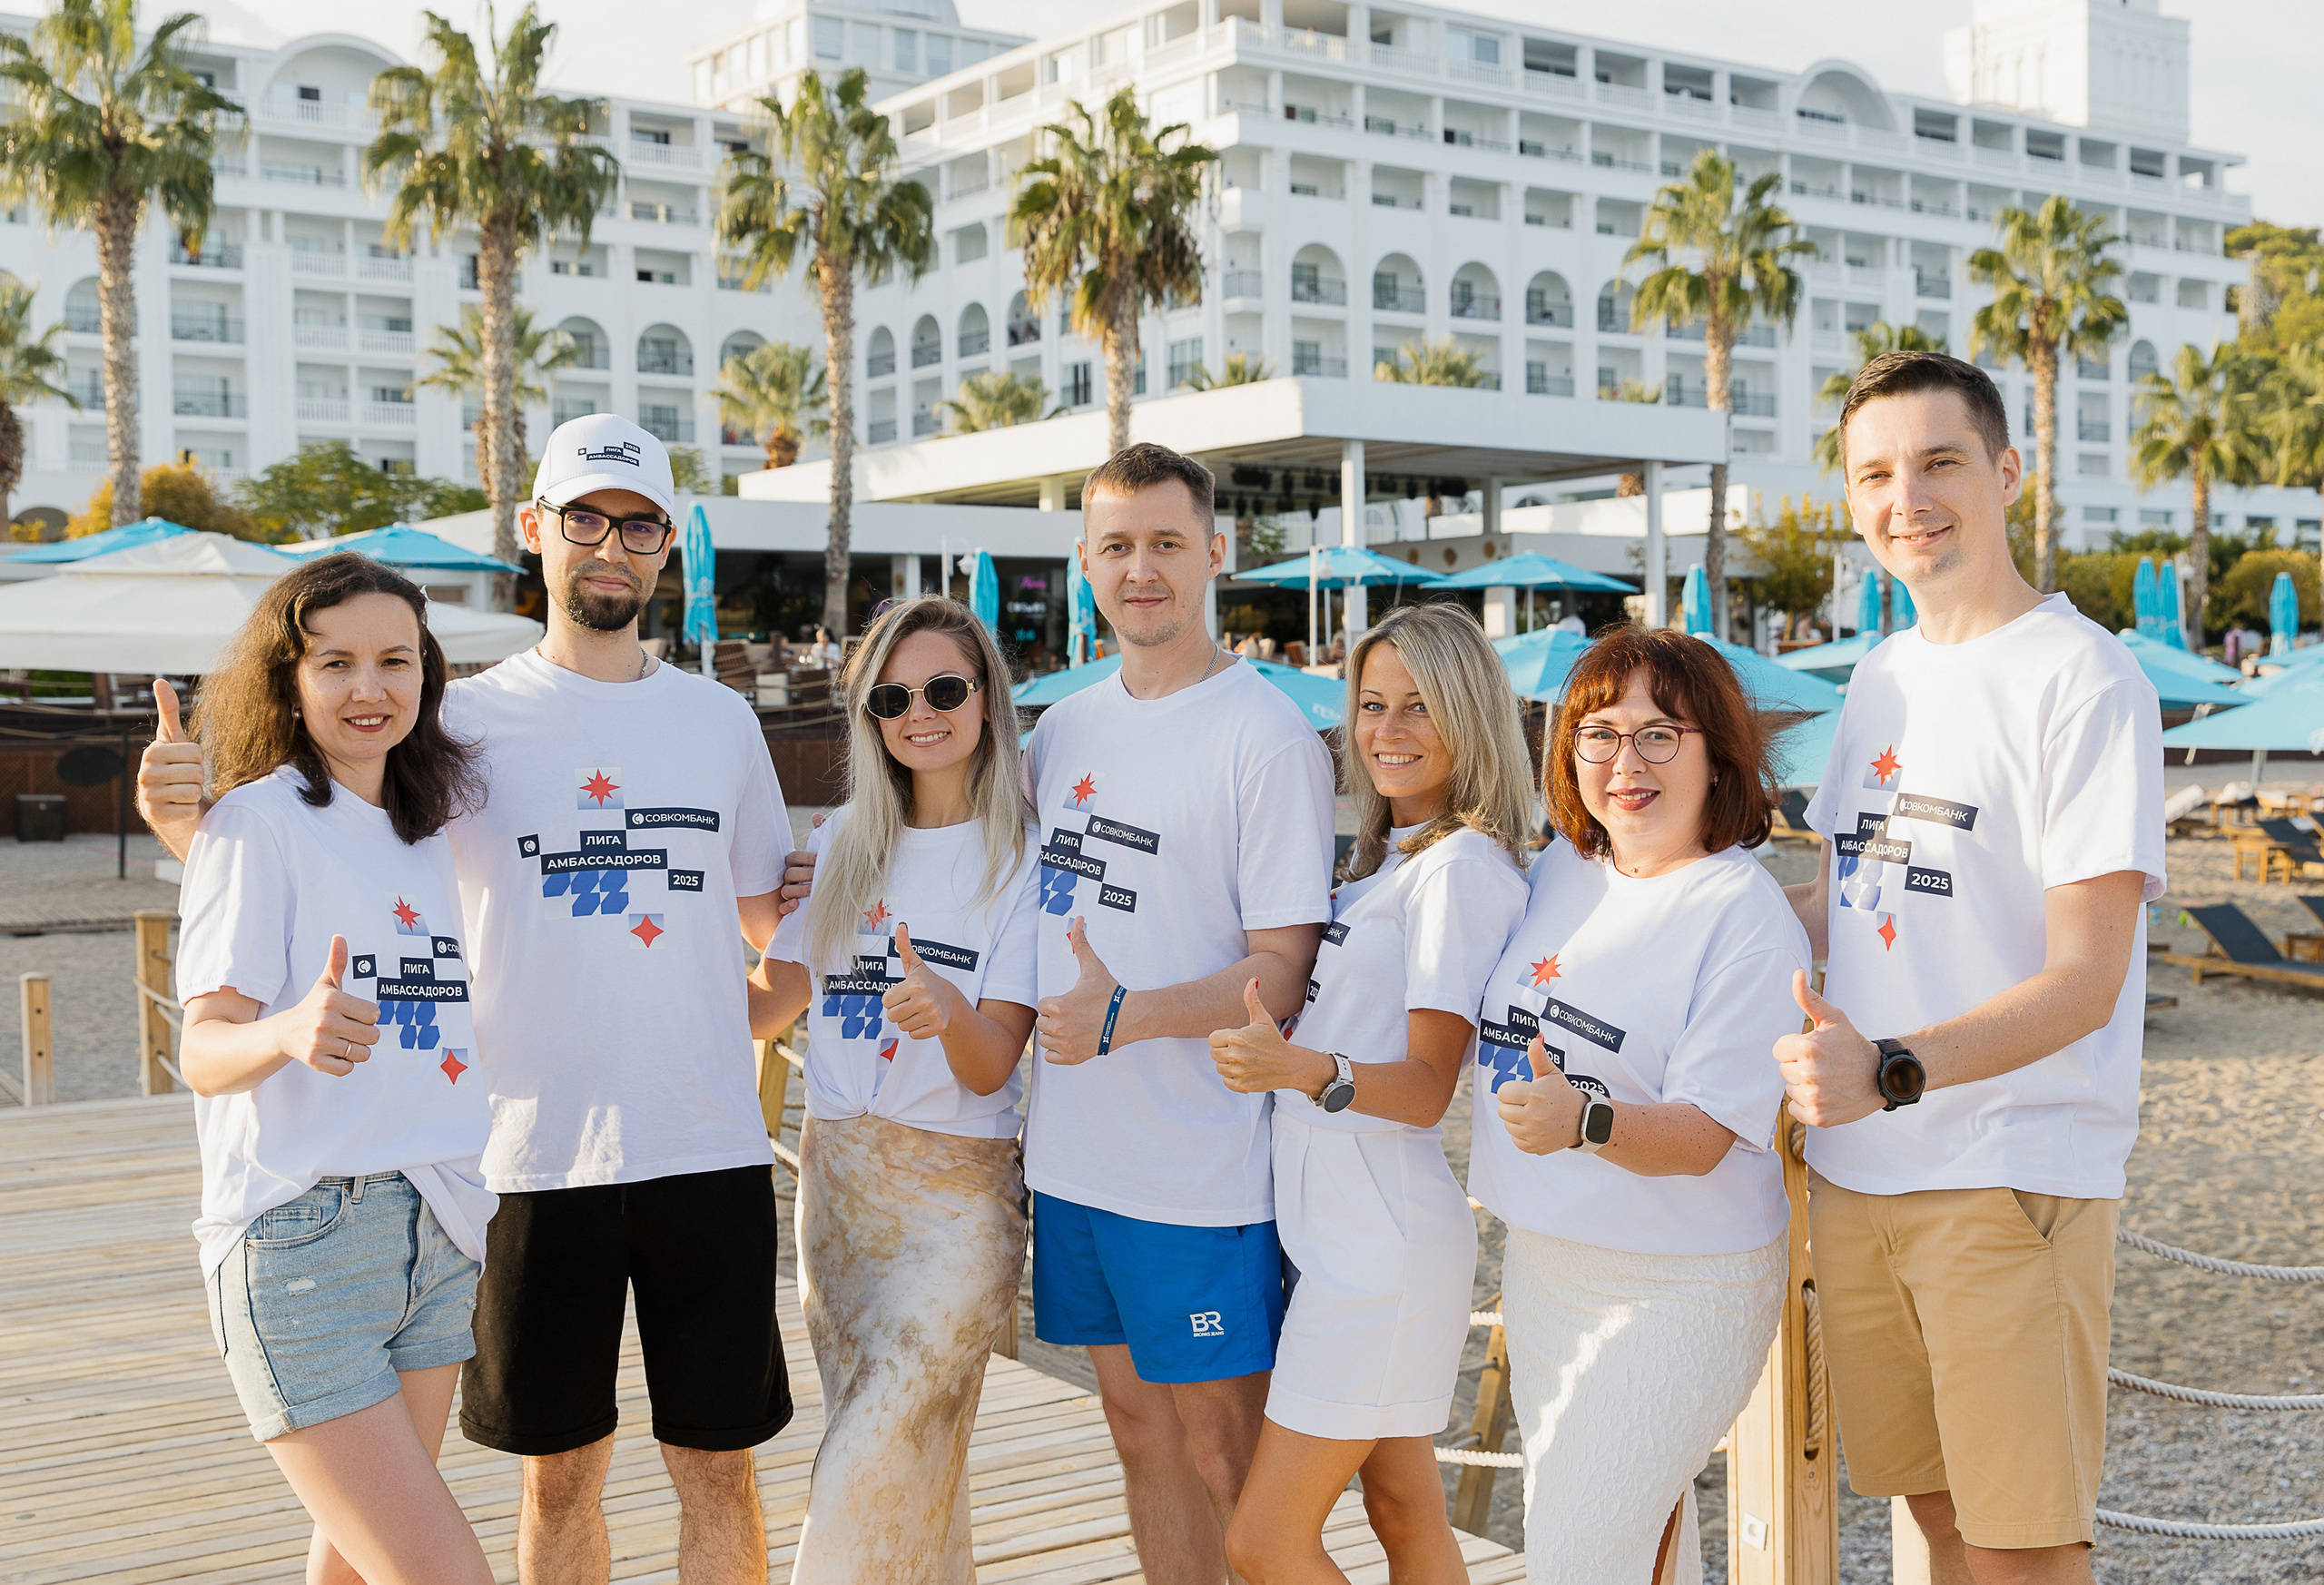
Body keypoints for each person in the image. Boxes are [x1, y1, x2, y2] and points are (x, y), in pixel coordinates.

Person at [141, 413, 794, 1585]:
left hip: (708, 1145)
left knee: (720, 1469)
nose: (613, 544)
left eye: (640, 524)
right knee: (560, 1472)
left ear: (666, 548)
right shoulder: (454, 720)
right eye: (586, 517)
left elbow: (767, 940)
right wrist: (196, 832)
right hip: (523, 1159)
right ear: (536, 530)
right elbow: (330, 858)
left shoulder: (722, 719)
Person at [772, 442, 1336, 1583]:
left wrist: (1128, 1014)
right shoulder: (1066, 730)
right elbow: (950, 840)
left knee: (1229, 1454)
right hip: (1070, 1162)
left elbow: (1286, 968)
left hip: (1198, 1167)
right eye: (1117, 547)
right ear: (1084, 563)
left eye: (1166, 544)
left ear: (1212, 553)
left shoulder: (1265, 738)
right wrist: (813, 878)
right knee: (1137, 1439)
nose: (1142, 570)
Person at [1777, 351, 2162, 1585]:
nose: (1910, 497)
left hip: (2008, 1173)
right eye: (1877, 473)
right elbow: (1842, 898)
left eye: (1940, 462)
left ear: (2007, 471)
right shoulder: (1881, 676)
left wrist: (1891, 1067)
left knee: (2026, 1545)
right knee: (1941, 1516)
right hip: (1862, 1175)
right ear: (1851, 499)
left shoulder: (2085, 678)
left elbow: (2086, 978)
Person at [173, 553, 495, 1585]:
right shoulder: (252, 826)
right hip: (305, 1239)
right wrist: (285, 1031)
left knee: (355, 1568)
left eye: (395, 661)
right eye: (336, 663)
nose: (369, 689)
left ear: (425, 677)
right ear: (290, 679)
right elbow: (201, 1051)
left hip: (440, 1228)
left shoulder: (431, 831)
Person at [1472, 625, 1812, 1583]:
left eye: (1661, 734)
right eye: (1600, 734)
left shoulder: (1743, 918)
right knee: (1635, 1549)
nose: (1626, 761)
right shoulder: (1559, 872)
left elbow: (1706, 1134)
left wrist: (1585, 1121)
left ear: (1717, 759)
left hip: (1678, 1285)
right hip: (1545, 1264)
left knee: (1577, 1559)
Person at [1206, 602, 1532, 1584]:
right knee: (1402, 1511)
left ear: (1469, 718)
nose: (1386, 732)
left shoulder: (1459, 871)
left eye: (1418, 708)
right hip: (1342, 1234)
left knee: (1261, 1542)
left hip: (1380, 1248)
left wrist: (1298, 1070)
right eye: (1372, 705)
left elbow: (1433, 1087)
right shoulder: (1380, 862)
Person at [750, 596, 1041, 1583]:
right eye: (892, 695)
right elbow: (762, 1007)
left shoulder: (1025, 861)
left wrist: (948, 1009)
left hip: (958, 1205)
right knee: (914, 1474)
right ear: (868, 715)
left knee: (864, 1468)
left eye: (945, 689)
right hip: (837, 1194)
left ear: (988, 700)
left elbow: (993, 1061)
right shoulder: (840, 845)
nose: (920, 712)